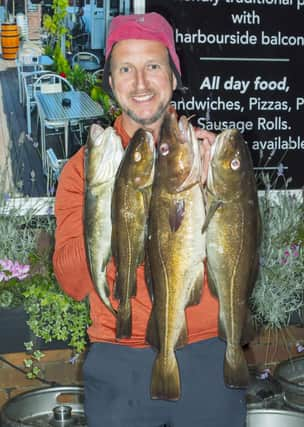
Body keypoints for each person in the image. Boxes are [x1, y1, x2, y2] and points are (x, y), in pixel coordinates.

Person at [53, 12, 246, 427]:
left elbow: (236, 261)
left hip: (207, 352)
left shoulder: (214, 159)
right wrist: (109, 193)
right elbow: (71, 281)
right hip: (118, 359)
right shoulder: (84, 169)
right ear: (110, 82)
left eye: (153, 66)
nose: (140, 83)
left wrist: (221, 191)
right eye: (126, 69)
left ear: (174, 77)